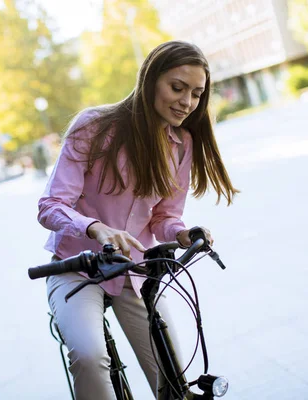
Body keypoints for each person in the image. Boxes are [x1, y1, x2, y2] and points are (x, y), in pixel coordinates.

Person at [37, 40, 238, 399]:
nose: (186, 102)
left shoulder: (181, 142)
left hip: (134, 271)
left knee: (173, 373)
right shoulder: (94, 126)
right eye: (177, 87)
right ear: (149, 80)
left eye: (196, 93)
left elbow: (164, 215)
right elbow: (51, 205)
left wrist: (181, 232)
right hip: (75, 267)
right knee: (89, 355)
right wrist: (95, 228)